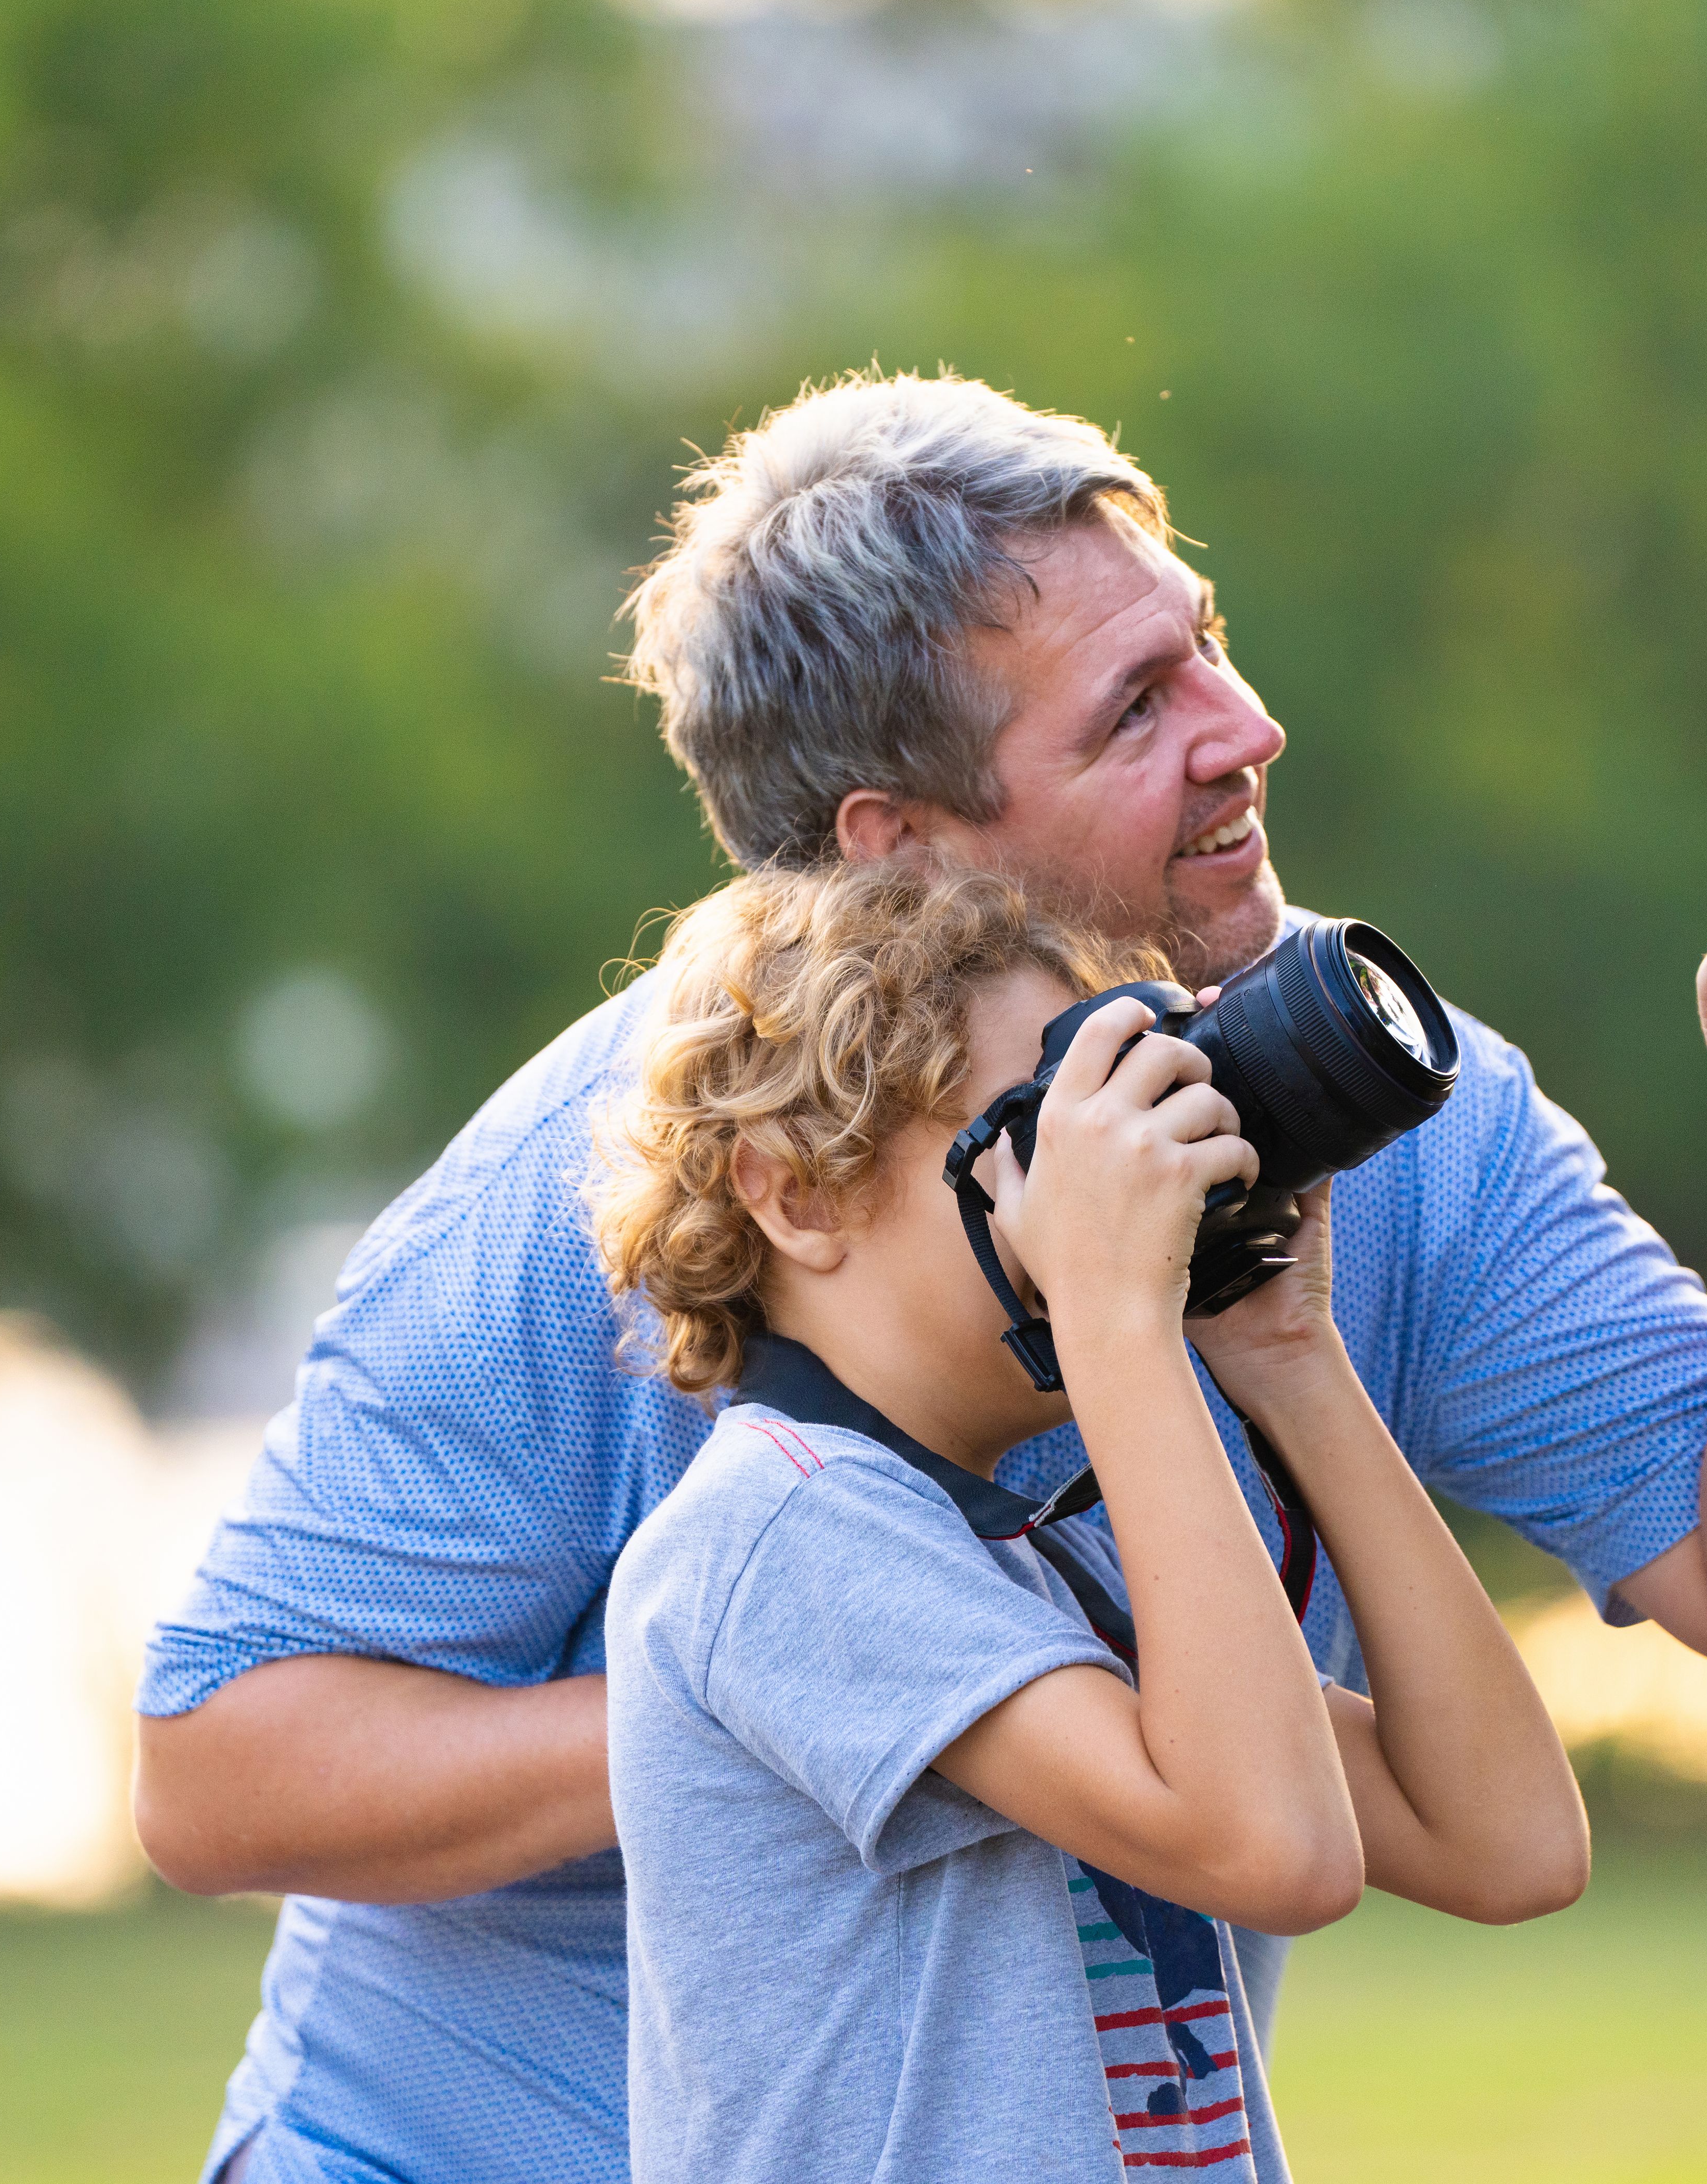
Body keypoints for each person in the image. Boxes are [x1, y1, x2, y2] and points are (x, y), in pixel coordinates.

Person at [135, 372, 1707, 2184]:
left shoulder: (1371, 1111)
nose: (1248, 728)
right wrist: (826, 1706)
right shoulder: (632, 1191)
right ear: (894, 848)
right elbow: (217, 1774)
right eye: (1135, 709)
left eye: (1209, 642)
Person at [596, 863, 1586, 2181]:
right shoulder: (778, 1533)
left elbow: (1507, 1842)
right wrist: (1121, 1314)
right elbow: (1279, 1854)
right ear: (797, 1196)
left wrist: (1290, 1357)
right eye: (1048, 1139)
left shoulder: (1025, 1555)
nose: (1120, 1196)